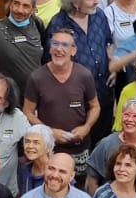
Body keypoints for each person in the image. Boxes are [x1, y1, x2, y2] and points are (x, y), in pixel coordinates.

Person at [48, 0, 117, 141]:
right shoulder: (58, 25)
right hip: (77, 100)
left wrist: (112, 65)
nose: (97, 1)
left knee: (104, 139)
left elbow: (108, 42)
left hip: (104, 91)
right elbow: (52, 62)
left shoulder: (99, 15)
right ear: (75, 4)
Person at [23, 27, 101, 168]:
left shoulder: (84, 75)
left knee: (78, 186)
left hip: (79, 149)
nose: (59, 49)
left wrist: (87, 127)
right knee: (51, 184)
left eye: (65, 45)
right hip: (48, 150)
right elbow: (27, 112)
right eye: (55, 44)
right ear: (49, 48)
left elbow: (95, 106)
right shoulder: (36, 77)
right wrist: (49, 132)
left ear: (73, 51)